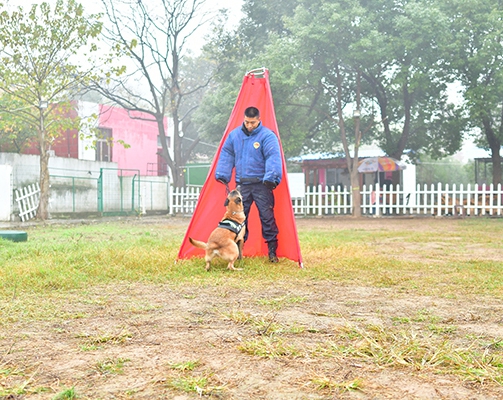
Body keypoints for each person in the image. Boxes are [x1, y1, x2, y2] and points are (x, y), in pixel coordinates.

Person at [215, 106, 282, 262]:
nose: (249, 125)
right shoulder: (234, 136)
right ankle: (238, 253)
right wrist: (223, 174)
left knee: (267, 217)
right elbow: (226, 154)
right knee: (238, 219)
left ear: (259, 119)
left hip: (262, 184)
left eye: (252, 122)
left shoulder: (267, 136)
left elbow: (273, 156)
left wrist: (271, 177)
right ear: (243, 119)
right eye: (247, 122)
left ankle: (272, 252)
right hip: (242, 185)